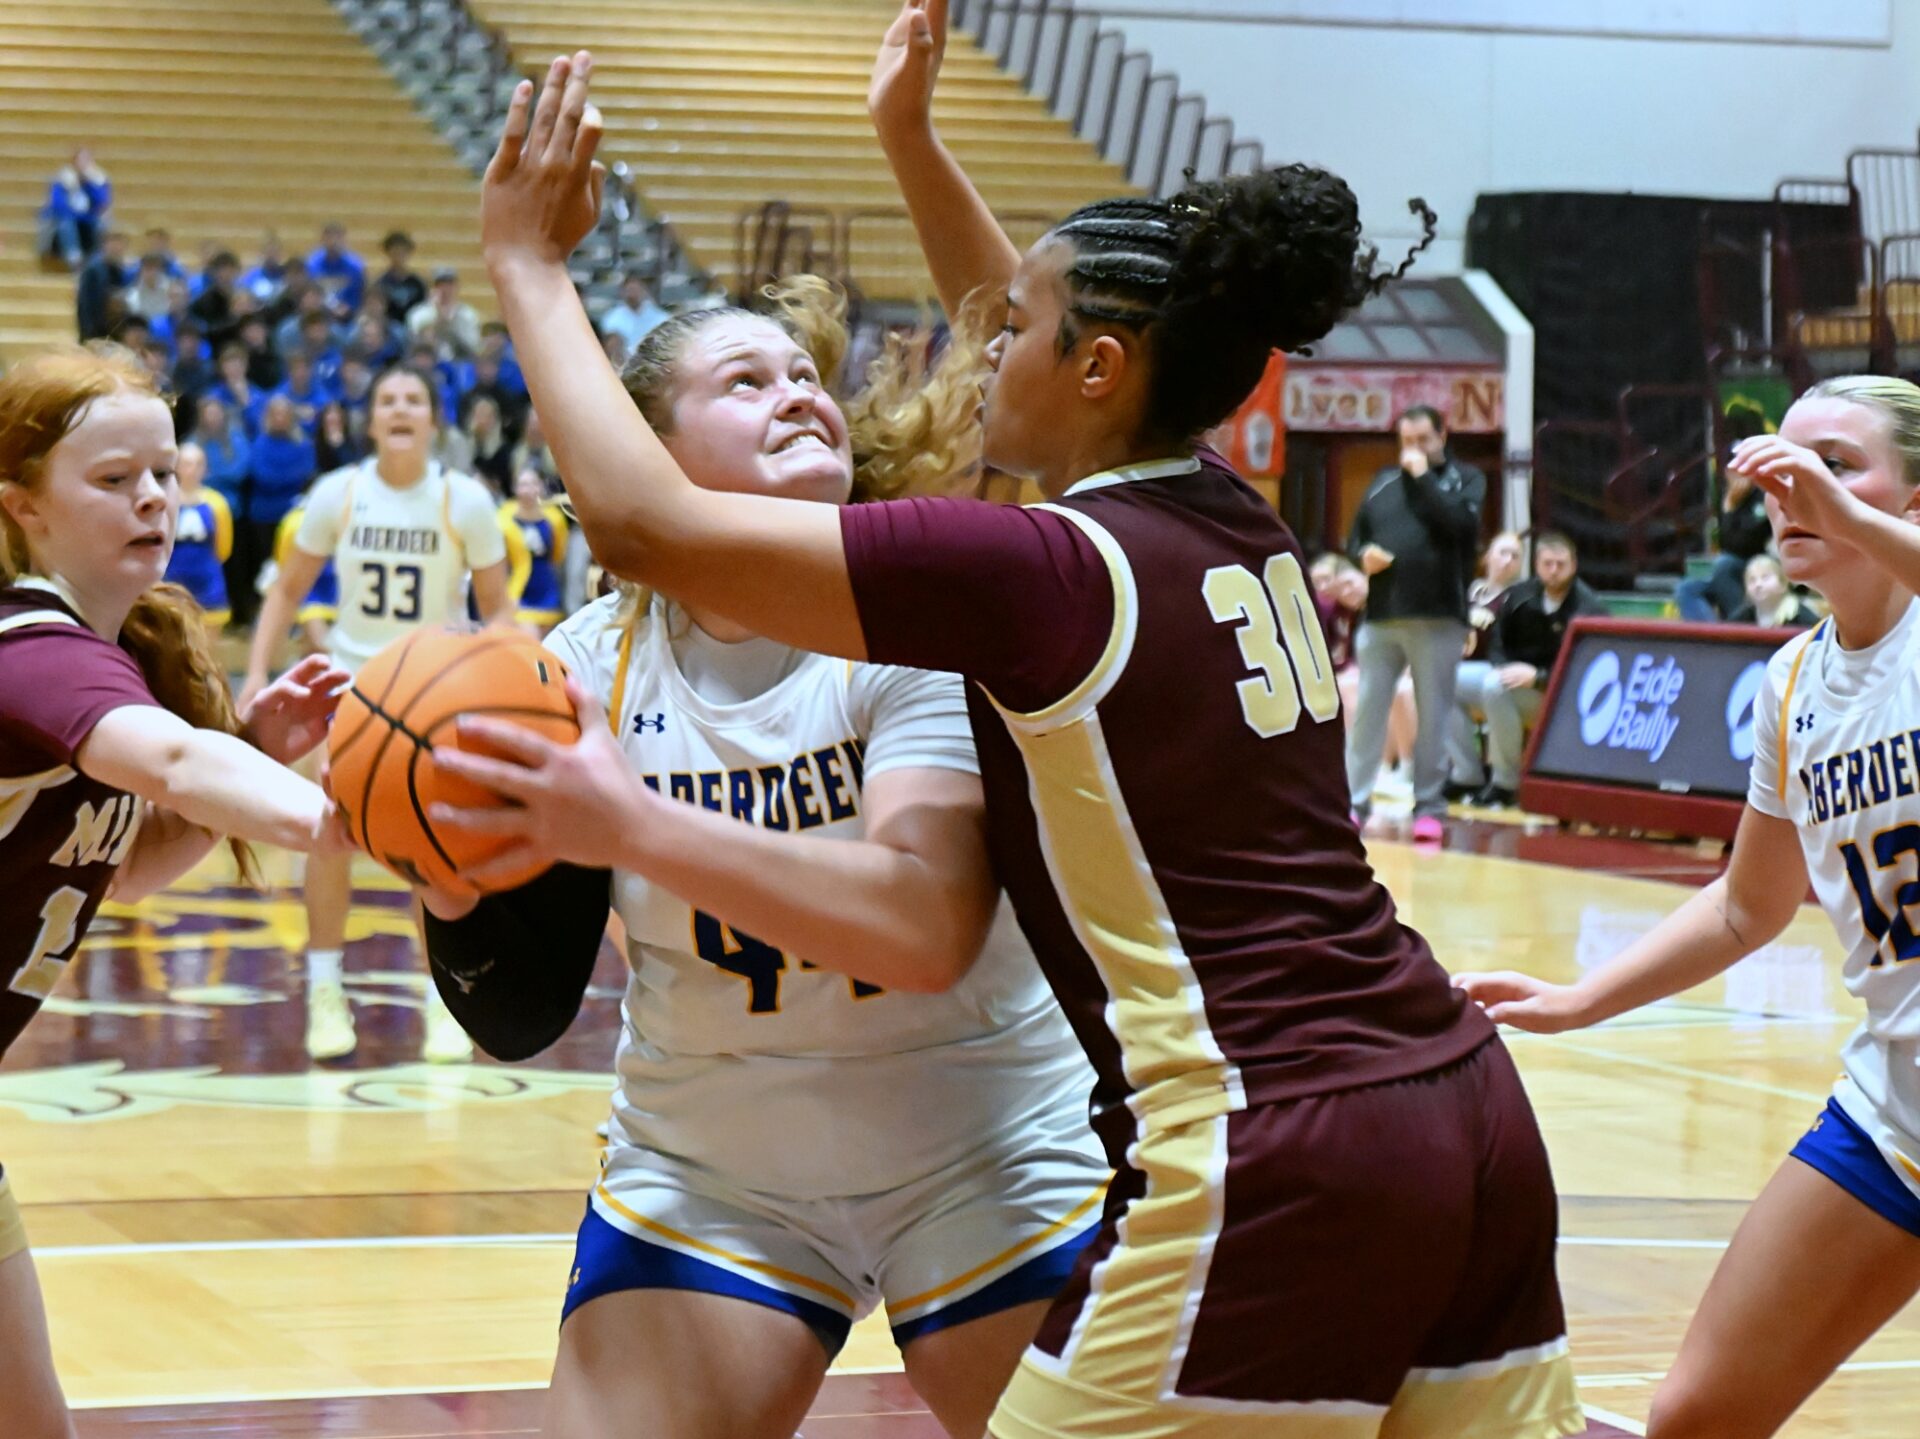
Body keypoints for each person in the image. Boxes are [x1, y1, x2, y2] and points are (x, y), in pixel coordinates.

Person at [474, 38, 1581, 1439]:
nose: (981, 339)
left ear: (1103, 366)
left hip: (1269, 1130)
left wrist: (523, 257)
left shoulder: (1030, 571)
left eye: (1017, 331)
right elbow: (1054, 332)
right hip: (1462, 1100)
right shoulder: (1225, 504)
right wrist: (910, 140)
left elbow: (643, 524)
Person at [419, 282, 1109, 1439]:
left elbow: (924, 927)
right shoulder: (584, 665)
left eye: (805, 376)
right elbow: (517, 1004)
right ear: (644, 455)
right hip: (714, 1169)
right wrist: (445, 876)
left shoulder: (926, 612)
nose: (798, 393)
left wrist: (634, 824)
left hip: (985, 1147)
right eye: (747, 381)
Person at [1456, 375, 1920, 1439]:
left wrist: (1840, 509)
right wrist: (1581, 1000)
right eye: (1781, 469)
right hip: (1897, 1116)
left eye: (1837, 464)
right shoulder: (1794, 682)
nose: (1793, 487)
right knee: (1697, 1414)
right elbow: (1745, 908)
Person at [0, 343, 347, 1439]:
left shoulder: (95, 658)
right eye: (113, 479)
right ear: (24, 507)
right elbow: (179, 767)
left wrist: (259, 747)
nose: (153, 496)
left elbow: (129, 864)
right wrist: (366, 819)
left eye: (165, 472)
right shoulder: (31, 649)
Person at [244, 364, 514, 1064]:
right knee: (328, 837)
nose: (400, 408)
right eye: (388, 399)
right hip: (355, 690)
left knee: (434, 850)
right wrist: (252, 669)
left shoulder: (466, 500)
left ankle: (443, 998)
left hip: (434, 690)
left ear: (433, 421)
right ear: (370, 421)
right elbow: (286, 589)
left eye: (414, 399)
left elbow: (503, 610)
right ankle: (325, 990)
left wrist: (513, 674)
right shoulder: (342, 492)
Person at [1344, 404, 1487, 838]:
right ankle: (1353, 801)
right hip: (1383, 615)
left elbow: (1459, 527)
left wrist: (1424, 475)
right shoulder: (1382, 481)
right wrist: (1360, 556)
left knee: (1433, 714)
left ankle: (1429, 806)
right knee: (1369, 709)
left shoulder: (1466, 479)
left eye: (1424, 439)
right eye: (1407, 441)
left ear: (1443, 435)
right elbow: (1356, 535)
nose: (1414, 449)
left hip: (1438, 615)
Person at [1447, 531, 1598, 809]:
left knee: (1495, 685)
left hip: (1562, 698)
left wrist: (1537, 678)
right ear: (1537, 564)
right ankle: (1466, 774)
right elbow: (1497, 645)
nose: (1553, 571)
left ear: (1574, 565)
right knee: (1445, 679)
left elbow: (1590, 671)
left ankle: (1506, 783)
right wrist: (1509, 668)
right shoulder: (1520, 596)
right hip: (1515, 681)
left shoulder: (1589, 608)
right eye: (1547, 564)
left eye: (1560, 564)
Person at [1677, 411, 1776, 623]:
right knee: (1688, 589)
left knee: (1725, 565)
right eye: (1733, 467)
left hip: (1761, 562)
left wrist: (1730, 508)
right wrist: (1729, 504)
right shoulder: (1730, 494)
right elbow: (1723, 542)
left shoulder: (1765, 495)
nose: (1736, 474)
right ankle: (1711, 637)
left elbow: (1743, 544)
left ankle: (1739, 628)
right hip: (1734, 565)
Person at [161, 441, 233, 637]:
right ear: (176, 467)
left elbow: (224, 547)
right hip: (171, 583)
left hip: (208, 583)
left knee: (207, 652)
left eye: (198, 464)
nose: (192, 469)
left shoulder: (216, 503)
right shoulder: (165, 500)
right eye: (186, 463)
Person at [500, 466, 568, 631]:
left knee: (545, 648)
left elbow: (558, 555)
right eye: (523, 484)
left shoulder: (555, 518)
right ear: (514, 488)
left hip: (547, 590)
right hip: (518, 592)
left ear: (541, 487)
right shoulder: (503, 517)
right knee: (529, 639)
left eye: (533, 484)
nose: (528, 490)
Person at [39, 148, 111, 268]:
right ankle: (73, 257)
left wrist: (89, 184)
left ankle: (97, 259)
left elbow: (102, 203)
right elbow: (57, 204)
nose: (83, 165)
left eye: (86, 161)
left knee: (101, 225)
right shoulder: (62, 179)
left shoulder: (98, 179)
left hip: (90, 218)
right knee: (66, 223)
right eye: (80, 161)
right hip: (68, 217)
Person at [1728, 552, 1822, 629]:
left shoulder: (1803, 618)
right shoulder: (1740, 619)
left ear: (1783, 584)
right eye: (1752, 580)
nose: (1758, 585)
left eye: (1765, 577)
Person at [407, 268, 482, 361]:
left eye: (449, 284)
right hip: (430, 362)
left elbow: (473, 346)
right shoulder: (419, 313)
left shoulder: (467, 314)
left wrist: (452, 324)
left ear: (457, 287)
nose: (445, 289)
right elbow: (417, 343)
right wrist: (439, 317)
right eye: (440, 285)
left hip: (460, 362)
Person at [75, 228, 132, 342]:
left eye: (120, 244)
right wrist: (89, 333)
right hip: (96, 332)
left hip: (114, 331)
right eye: (113, 243)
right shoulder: (93, 270)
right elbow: (85, 304)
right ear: (104, 245)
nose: (116, 248)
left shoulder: (123, 271)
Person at [306, 222, 366, 321]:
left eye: (337, 237)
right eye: (329, 237)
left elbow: (359, 294)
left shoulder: (355, 266)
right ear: (322, 240)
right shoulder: (312, 264)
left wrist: (347, 308)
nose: (333, 242)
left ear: (344, 240)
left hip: (348, 316)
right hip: (319, 314)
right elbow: (310, 293)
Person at [597, 272, 670, 352]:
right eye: (630, 289)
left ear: (644, 291)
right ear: (622, 292)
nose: (633, 294)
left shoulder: (662, 317)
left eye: (636, 289)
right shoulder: (611, 318)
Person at [374, 230, 428, 328]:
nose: (398, 257)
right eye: (395, 252)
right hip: (389, 329)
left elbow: (424, 309)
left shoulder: (418, 283)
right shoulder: (381, 283)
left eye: (402, 253)